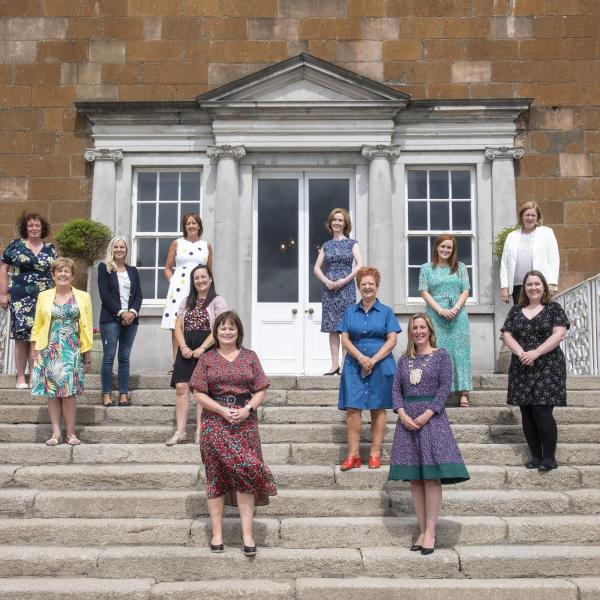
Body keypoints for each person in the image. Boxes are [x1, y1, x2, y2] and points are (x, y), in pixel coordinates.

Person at [190, 311, 277, 556]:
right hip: (215, 421)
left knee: (247, 472)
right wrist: (221, 410)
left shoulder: (250, 356)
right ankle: (217, 534)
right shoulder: (206, 359)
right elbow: (198, 392)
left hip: (245, 422)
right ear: (215, 333)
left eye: (231, 328)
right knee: (215, 475)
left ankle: (247, 534)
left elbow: (261, 389)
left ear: (238, 331)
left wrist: (248, 409)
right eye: (222, 328)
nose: (227, 332)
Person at [389, 313, 470, 555]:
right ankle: (422, 530)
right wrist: (403, 415)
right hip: (407, 424)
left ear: (429, 330)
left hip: (432, 421)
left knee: (432, 478)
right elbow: (396, 389)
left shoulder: (441, 355)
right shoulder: (404, 360)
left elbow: (445, 387)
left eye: (422, 327)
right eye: (414, 327)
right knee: (415, 478)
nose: (418, 331)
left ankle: (431, 532)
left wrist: (426, 414)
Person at [500, 270, 569, 471]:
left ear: (544, 286)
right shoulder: (515, 311)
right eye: (529, 284)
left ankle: (549, 457)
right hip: (522, 366)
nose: (533, 288)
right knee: (527, 412)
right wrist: (522, 353)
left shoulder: (553, 308)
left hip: (549, 365)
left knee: (542, 410)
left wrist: (535, 353)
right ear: (524, 288)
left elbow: (559, 333)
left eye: (537, 284)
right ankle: (536, 456)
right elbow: (506, 334)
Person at [337, 266, 401, 471]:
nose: (367, 287)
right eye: (363, 284)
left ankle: (375, 453)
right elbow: (344, 339)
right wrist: (361, 357)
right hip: (354, 364)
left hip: (381, 364)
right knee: (352, 408)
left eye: (371, 284)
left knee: (378, 407)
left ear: (377, 286)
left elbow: (392, 340)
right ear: (358, 287)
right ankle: (353, 455)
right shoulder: (349, 312)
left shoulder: (386, 312)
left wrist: (372, 360)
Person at [30, 257, 93, 447]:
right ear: (53, 275)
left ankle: (71, 433)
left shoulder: (83, 297)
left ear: (72, 276)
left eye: (67, 271)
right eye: (59, 271)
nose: (63, 274)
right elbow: (37, 325)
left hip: (71, 349)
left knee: (69, 393)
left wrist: (87, 355)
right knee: (52, 392)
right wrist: (34, 353)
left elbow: (87, 326)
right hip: (49, 349)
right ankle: (56, 433)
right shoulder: (44, 296)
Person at [166, 264, 228, 446]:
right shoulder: (186, 301)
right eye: (196, 278)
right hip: (186, 347)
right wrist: (183, 347)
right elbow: (177, 326)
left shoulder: (218, 301)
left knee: (201, 390)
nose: (200, 280)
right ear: (193, 282)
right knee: (181, 387)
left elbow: (220, 328)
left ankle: (200, 432)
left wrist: (202, 348)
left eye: (203, 277)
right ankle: (180, 432)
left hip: (207, 348)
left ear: (210, 279)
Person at [0, 212, 57, 389]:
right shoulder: (15, 245)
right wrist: (3, 294)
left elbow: (57, 273)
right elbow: (3, 270)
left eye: (37, 225)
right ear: (26, 228)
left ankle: (35, 375)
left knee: (40, 336)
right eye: (30, 225)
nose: (34, 228)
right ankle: (20, 377)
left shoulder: (51, 249)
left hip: (45, 297)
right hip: (20, 297)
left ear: (42, 228)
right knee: (21, 337)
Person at [419, 234, 472, 408]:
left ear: (453, 250)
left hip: (458, 315)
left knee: (460, 352)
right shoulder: (426, 268)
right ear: (437, 247)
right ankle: (438, 391)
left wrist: (455, 308)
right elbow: (424, 292)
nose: (446, 250)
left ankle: (463, 392)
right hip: (435, 315)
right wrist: (440, 310)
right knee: (437, 352)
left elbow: (465, 290)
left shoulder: (461, 268)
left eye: (449, 247)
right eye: (443, 246)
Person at [314, 208, 362, 375]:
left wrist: (345, 280)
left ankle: (345, 365)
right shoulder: (326, 246)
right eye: (334, 220)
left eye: (340, 220)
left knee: (345, 327)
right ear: (330, 223)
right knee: (332, 327)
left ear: (345, 223)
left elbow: (360, 265)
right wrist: (326, 281)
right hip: (330, 290)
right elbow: (316, 268)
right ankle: (334, 365)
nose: (337, 223)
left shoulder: (352, 243)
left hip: (346, 288)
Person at [161, 213, 212, 366]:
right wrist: (174, 281)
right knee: (177, 324)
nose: (191, 226)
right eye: (188, 223)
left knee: (198, 322)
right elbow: (167, 268)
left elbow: (209, 271)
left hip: (199, 288)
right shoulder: (177, 243)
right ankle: (176, 364)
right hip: (179, 289)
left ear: (199, 226)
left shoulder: (206, 245)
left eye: (194, 223)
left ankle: (197, 363)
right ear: (184, 226)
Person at [97, 236, 143, 407]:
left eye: (122, 247)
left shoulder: (133, 271)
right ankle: (106, 394)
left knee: (124, 357)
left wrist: (131, 312)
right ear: (111, 249)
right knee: (109, 357)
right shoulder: (105, 268)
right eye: (116, 247)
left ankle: (123, 394)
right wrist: (121, 312)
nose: (119, 249)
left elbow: (139, 295)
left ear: (126, 250)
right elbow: (105, 295)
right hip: (110, 319)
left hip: (131, 320)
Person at [500, 201, 560, 305]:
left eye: (533, 215)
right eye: (527, 215)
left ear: (538, 217)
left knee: (540, 318)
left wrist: (551, 284)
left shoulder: (547, 233)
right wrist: (504, 287)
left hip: (539, 285)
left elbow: (554, 259)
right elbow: (504, 263)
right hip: (518, 286)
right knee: (521, 319)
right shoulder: (511, 236)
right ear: (521, 217)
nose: (530, 218)